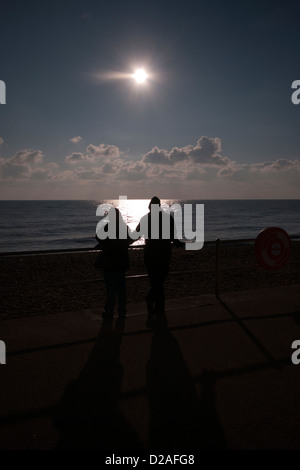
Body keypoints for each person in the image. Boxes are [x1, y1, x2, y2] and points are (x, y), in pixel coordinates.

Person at [134, 196, 183, 327]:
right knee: (160, 280)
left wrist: (122, 242)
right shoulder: (168, 218)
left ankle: (153, 302)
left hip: (150, 255)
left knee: (155, 280)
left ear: (150, 206)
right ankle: (158, 307)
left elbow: (135, 235)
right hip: (164, 254)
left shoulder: (146, 219)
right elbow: (174, 237)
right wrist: (179, 244)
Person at [95, 207, 132, 319]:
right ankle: (122, 311)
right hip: (121, 263)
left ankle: (109, 311)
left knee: (111, 289)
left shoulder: (107, 226)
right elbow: (130, 239)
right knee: (121, 289)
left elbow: (98, 237)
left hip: (110, 263)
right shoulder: (124, 227)